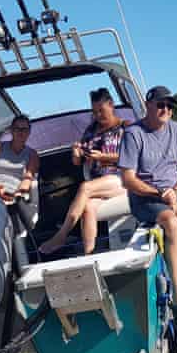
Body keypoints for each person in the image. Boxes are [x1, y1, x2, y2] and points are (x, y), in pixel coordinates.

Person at [118, 86, 177, 330]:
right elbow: (128, 180)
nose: (166, 110)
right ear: (148, 106)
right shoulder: (133, 133)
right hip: (145, 198)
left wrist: (176, 193)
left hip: (175, 194)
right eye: (161, 105)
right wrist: (162, 194)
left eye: (170, 106)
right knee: (171, 222)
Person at [39, 88, 128, 255]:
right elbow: (77, 162)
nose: (98, 115)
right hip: (99, 184)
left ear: (111, 105)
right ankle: (89, 255)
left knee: (85, 187)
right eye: (94, 112)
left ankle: (62, 235)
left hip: (122, 179)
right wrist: (76, 153)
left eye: (101, 111)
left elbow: (132, 156)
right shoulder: (91, 130)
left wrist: (104, 157)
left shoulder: (126, 128)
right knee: (87, 208)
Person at [0, 115, 40, 267]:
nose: (21, 132)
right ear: (11, 131)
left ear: (29, 132)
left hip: (15, 190)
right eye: (17, 129)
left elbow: (28, 178)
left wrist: (18, 193)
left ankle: (15, 258)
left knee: (14, 207)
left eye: (25, 129)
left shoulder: (32, 154)